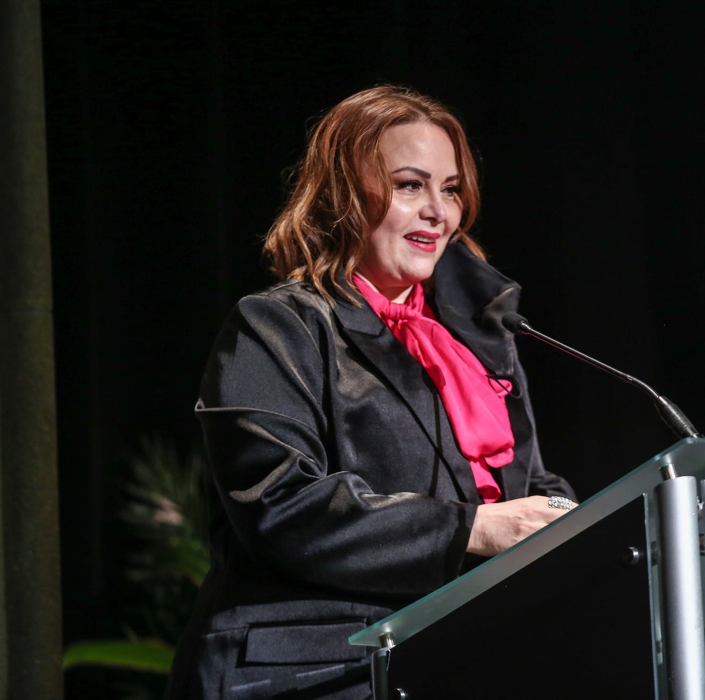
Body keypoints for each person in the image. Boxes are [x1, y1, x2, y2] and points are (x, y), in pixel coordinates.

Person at [164, 85, 577, 700]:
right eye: (410, 185)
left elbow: (527, 487)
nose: (439, 211)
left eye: (452, 189)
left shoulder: (482, 343)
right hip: (309, 673)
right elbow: (280, 506)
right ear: (342, 197)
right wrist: (471, 531)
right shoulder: (278, 325)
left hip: (455, 658)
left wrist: (571, 520)